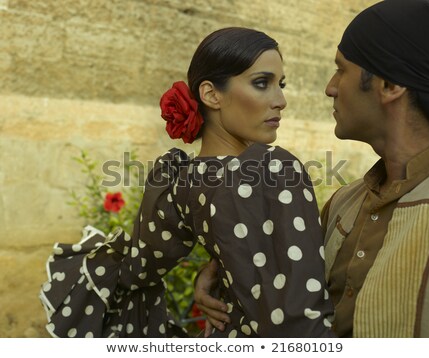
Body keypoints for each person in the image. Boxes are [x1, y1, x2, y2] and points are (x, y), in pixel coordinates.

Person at [39, 27, 335, 338]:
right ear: (210, 95)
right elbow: (298, 319)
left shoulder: (181, 178)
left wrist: (216, 269)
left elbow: (139, 266)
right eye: (262, 83)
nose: (281, 100)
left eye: (281, 84)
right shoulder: (271, 168)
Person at [194, 0, 429, 338]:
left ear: (389, 85)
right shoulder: (343, 204)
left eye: (341, 70)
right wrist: (227, 271)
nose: (330, 87)